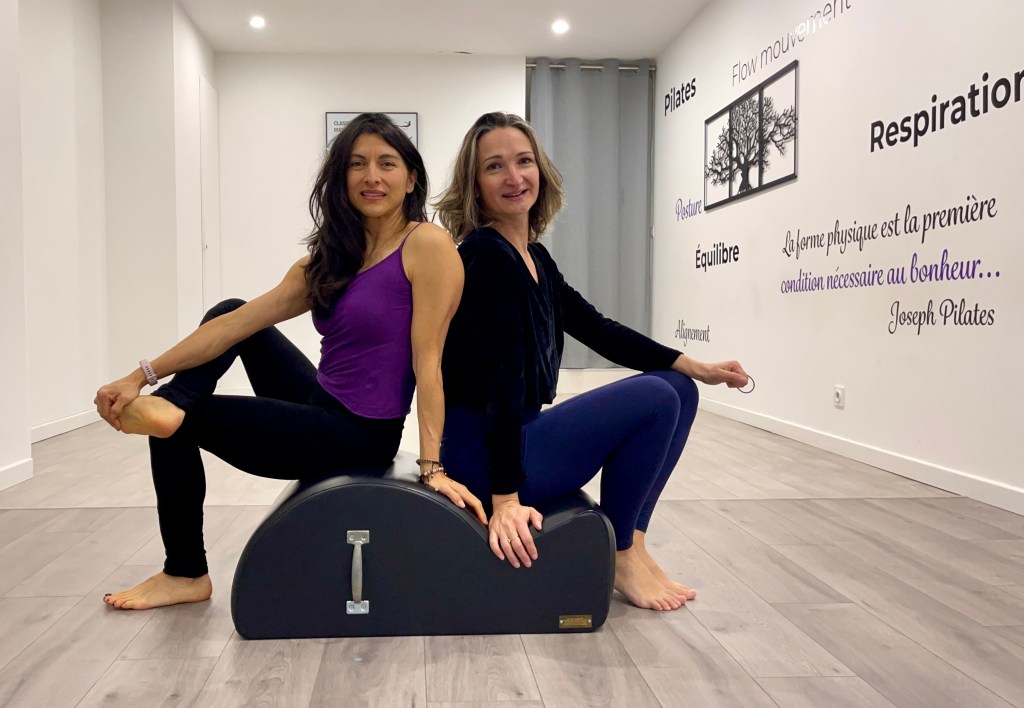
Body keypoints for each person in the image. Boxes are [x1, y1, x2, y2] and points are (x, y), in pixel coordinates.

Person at [94, 113, 485, 610]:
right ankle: (173, 401)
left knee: (175, 428)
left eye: (387, 163)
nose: (372, 176)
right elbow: (233, 328)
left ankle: (185, 573)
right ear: (341, 178)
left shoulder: (426, 245)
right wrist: (139, 376)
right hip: (320, 403)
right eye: (357, 164)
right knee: (231, 311)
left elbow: (429, 362)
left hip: (360, 433)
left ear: (410, 178)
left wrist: (433, 468)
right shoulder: (329, 259)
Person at [434, 112, 749, 612]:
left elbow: (598, 329)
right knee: (655, 396)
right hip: (487, 456)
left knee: (679, 387)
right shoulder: (485, 257)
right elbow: (501, 383)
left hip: (519, 436)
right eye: (494, 167)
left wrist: (695, 365)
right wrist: (505, 499)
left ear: (541, 171)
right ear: (474, 184)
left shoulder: (532, 256)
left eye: (524, 161)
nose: (514, 177)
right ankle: (618, 553)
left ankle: (634, 544)